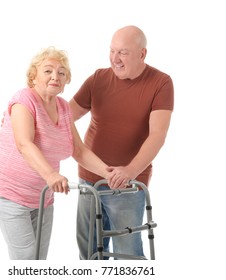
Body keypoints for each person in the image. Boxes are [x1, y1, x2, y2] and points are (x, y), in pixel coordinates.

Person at [0, 46, 112, 260]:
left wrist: (109, 173)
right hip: (10, 193)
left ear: (66, 81)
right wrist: (52, 175)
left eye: (62, 72)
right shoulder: (24, 100)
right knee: (26, 259)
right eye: (48, 70)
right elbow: (24, 144)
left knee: (39, 259)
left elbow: (79, 151)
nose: (56, 76)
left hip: (43, 197)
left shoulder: (63, 108)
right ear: (33, 76)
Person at [69, 25, 174, 259]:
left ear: (142, 54)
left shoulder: (161, 83)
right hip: (90, 177)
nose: (115, 59)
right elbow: (64, 116)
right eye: (112, 51)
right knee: (89, 251)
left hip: (128, 183)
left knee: (127, 253)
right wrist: (26, 114)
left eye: (123, 52)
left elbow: (158, 135)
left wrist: (130, 171)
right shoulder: (98, 78)